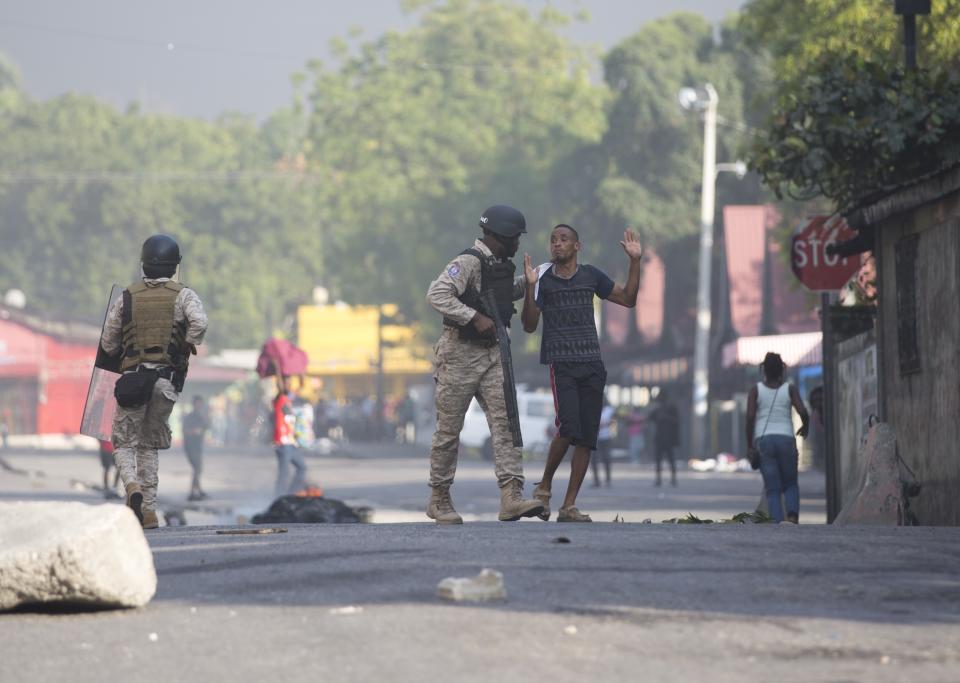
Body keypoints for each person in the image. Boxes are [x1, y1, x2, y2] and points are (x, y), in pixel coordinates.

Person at [424, 204, 544, 524]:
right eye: (515, 238)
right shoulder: (467, 262)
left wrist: (529, 282)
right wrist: (472, 316)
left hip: (493, 355)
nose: (518, 243)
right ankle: (439, 498)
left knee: (506, 426)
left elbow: (503, 295)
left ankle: (511, 497)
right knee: (449, 432)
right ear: (500, 236)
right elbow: (437, 294)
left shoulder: (498, 265)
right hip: (459, 355)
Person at [522, 224, 643, 522]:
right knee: (568, 427)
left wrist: (635, 261)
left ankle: (569, 506)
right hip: (561, 364)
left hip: (592, 364)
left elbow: (628, 299)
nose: (557, 244)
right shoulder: (543, 278)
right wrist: (529, 287)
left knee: (587, 437)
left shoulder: (591, 275)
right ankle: (545, 486)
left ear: (578, 246)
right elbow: (528, 324)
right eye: (553, 240)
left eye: (564, 240)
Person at [100, 234, 207, 529]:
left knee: (123, 441)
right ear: (174, 266)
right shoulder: (184, 295)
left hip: (134, 380)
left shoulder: (127, 297)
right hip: (166, 383)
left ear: (144, 264)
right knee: (149, 444)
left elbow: (108, 343)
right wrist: (186, 343)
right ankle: (148, 511)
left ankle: (131, 486)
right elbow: (200, 322)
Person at [745, 352, 810, 524]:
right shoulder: (789, 389)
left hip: (764, 441)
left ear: (763, 369)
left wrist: (749, 444)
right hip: (786, 439)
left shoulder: (755, 390)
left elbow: (750, 417)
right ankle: (793, 516)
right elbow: (803, 411)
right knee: (790, 483)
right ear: (782, 369)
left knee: (772, 489)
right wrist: (806, 426)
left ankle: (777, 523)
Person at [273, 375, 307, 496]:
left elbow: (300, 388)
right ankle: (279, 497)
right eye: (286, 383)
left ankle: (292, 493)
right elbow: (261, 417)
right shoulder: (279, 399)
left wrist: (301, 375)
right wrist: (277, 368)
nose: (288, 385)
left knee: (302, 467)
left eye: (289, 383)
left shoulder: (288, 399)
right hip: (282, 443)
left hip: (291, 442)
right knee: (284, 472)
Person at [648, 390, 680, 487]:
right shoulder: (658, 409)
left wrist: (666, 417)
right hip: (659, 438)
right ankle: (658, 479)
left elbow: (677, 421)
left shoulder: (671, 408)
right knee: (658, 460)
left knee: (671, 459)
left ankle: (673, 479)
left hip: (669, 438)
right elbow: (650, 417)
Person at [181, 395, 209, 501]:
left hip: (198, 446)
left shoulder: (201, 415)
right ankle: (192, 493)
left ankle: (198, 491)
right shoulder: (190, 416)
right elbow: (185, 430)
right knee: (197, 468)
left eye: (201, 403)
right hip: (190, 446)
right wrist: (194, 431)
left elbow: (207, 426)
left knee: (198, 468)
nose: (200, 405)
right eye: (198, 403)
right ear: (194, 404)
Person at [590, 401, 616, 487]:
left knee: (606, 458)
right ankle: (596, 480)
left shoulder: (609, 410)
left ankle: (608, 480)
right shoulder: (592, 409)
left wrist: (606, 424)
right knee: (593, 460)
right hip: (595, 438)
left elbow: (614, 421)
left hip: (606, 437)